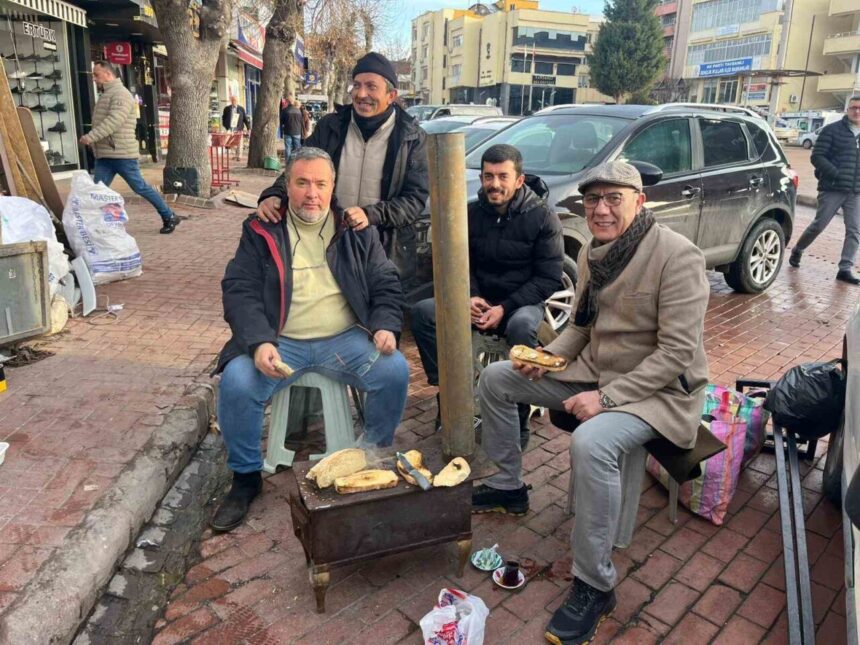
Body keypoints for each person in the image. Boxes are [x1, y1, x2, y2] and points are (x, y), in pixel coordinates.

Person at [474, 160, 710, 645]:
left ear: (639, 202)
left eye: (613, 199)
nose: (600, 210)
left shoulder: (677, 256)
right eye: (593, 200)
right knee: (498, 378)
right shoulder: (592, 254)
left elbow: (676, 354)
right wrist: (546, 358)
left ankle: (595, 584)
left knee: (593, 444)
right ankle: (507, 486)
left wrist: (606, 398)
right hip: (598, 374)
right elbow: (580, 326)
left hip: (659, 394)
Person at [211, 147, 409, 532]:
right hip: (282, 342)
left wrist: (385, 324)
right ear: (286, 185)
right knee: (236, 382)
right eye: (302, 183)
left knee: (394, 370)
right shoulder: (262, 229)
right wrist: (258, 342)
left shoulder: (355, 230)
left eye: (320, 184)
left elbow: (386, 281)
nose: (311, 194)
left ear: (333, 186)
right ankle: (246, 477)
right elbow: (239, 289)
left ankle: (370, 455)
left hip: (344, 340)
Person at [410, 144, 563, 446]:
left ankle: (518, 421)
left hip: (520, 303)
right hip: (479, 300)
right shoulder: (470, 214)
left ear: (519, 180)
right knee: (424, 313)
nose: (495, 184)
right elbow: (461, 264)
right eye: (488, 176)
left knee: (521, 327)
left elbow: (549, 278)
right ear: (481, 178)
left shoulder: (543, 218)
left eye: (503, 176)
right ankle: (452, 392)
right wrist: (469, 295)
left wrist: (505, 308)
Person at [258, 52, 429, 287]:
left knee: (380, 317)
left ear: (391, 95)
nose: (361, 94)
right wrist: (274, 194)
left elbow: (414, 200)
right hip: (330, 243)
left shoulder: (412, 138)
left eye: (371, 87)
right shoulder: (331, 126)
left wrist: (371, 214)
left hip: (385, 252)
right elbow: (298, 168)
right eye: (356, 85)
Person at [80, 61, 179, 234]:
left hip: (121, 154)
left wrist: (91, 137)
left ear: (109, 75)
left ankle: (169, 215)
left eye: (97, 75)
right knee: (97, 190)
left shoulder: (121, 95)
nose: (94, 79)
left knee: (140, 187)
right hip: (106, 154)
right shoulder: (108, 94)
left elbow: (114, 122)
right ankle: (92, 226)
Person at [789, 96, 860, 285]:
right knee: (819, 225)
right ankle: (798, 249)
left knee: (854, 230)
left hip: (856, 191)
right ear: (847, 110)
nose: (857, 111)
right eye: (854, 107)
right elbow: (817, 157)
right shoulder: (832, 130)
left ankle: (845, 268)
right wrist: (835, 173)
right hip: (832, 188)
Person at [221, 95, 251, 161]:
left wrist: (248, 128)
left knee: (240, 142)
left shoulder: (241, 109)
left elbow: (245, 119)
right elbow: (223, 118)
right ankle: (234, 155)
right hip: (230, 128)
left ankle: (239, 156)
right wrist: (226, 125)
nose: (234, 101)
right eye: (232, 100)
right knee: (232, 142)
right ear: (231, 101)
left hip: (239, 127)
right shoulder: (227, 109)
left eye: (235, 100)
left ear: (237, 101)